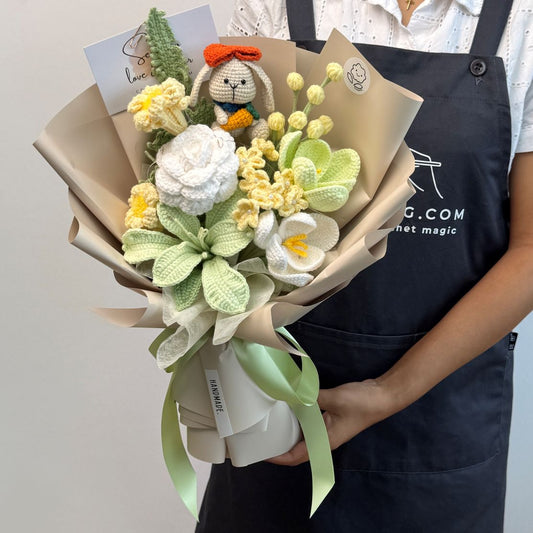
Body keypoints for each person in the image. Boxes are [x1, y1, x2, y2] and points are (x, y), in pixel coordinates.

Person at [196, 1, 533, 531]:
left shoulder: (524, 25)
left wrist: (390, 391)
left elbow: (530, 249)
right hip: (283, 403)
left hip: (441, 418)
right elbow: (224, 192)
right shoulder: (271, 8)